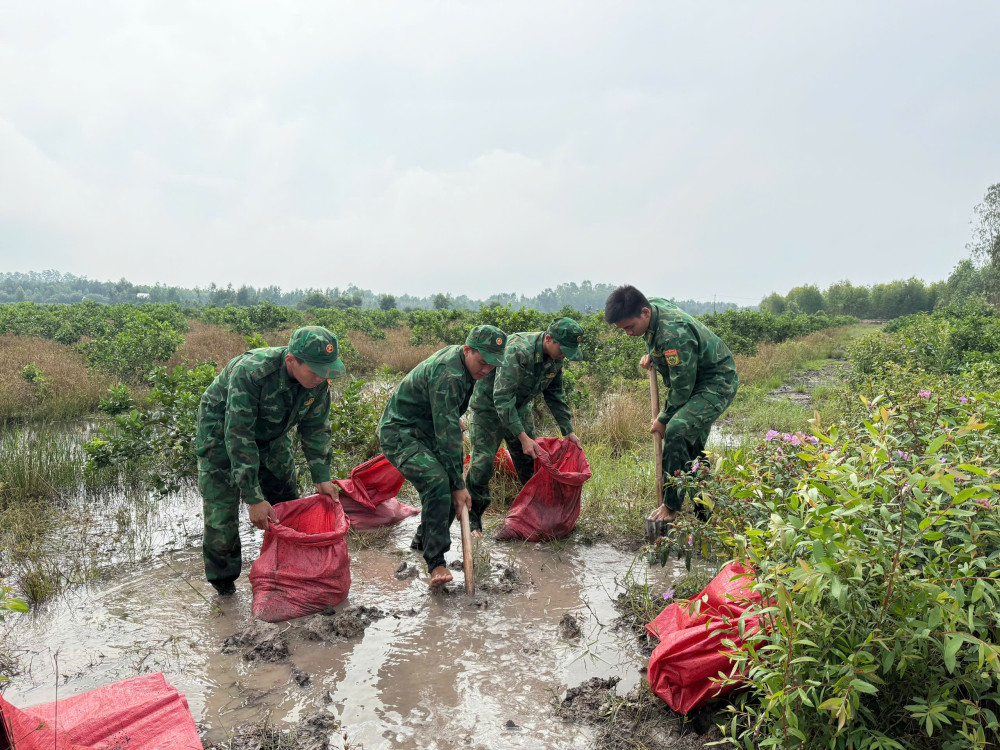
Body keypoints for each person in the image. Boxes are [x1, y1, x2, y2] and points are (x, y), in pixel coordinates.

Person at [196, 325, 346, 595]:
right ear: (291, 360)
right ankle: (225, 589)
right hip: (221, 434)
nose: (322, 377)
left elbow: (316, 428)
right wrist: (253, 498)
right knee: (221, 516)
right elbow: (239, 436)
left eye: (327, 371)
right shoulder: (252, 373)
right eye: (315, 370)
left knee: (286, 501)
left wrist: (322, 478)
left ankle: (287, 572)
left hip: (273, 433)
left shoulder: (318, 383)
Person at [378, 325, 507, 587]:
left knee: (449, 485)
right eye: (483, 362)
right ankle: (435, 563)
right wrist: (459, 486)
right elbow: (447, 435)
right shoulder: (449, 373)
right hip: (401, 432)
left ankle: (420, 544)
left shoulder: (466, 366)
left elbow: (446, 417)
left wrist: (450, 419)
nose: (486, 370)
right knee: (438, 482)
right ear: (468, 350)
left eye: (493, 366)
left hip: (426, 430)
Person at [604, 285, 738, 524]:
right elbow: (656, 341)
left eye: (630, 327)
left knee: (676, 430)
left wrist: (663, 419)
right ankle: (704, 512)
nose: (628, 333)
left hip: (716, 382)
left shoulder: (673, 334)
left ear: (645, 312)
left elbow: (682, 388)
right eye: (623, 329)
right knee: (693, 445)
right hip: (696, 377)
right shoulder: (652, 308)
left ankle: (670, 507)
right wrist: (653, 355)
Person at [466, 317, 585, 534]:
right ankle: (473, 522)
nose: (564, 356)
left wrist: (568, 431)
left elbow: (555, 395)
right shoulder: (518, 351)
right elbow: (501, 398)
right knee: (482, 465)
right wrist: (523, 437)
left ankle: (535, 517)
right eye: (563, 349)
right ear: (549, 339)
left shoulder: (556, 358)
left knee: (532, 462)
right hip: (489, 410)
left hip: (519, 408)